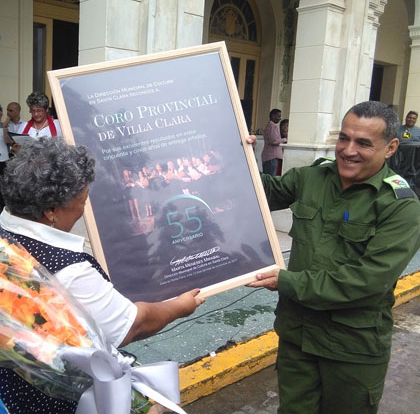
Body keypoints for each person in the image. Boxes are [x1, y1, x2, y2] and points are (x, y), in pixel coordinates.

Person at [0, 138, 204, 414]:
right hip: (58, 400)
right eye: (81, 201)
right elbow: (131, 326)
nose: (84, 209)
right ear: (50, 212)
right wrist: (180, 306)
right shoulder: (67, 268)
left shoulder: (6, 238)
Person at [247, 101, 420, 414]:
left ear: (391, 147)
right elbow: (260, 193)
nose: (348, 150)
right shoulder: (313, 179)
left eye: (363, 143)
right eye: (344, 138)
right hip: (297, 338)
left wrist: (286, 281)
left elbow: (366, 281)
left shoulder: (400, 206)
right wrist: (239, 157)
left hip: (351, 350)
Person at [261, 109, 287, 176]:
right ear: (273, 116)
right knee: (270, 178)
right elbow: (274, 141)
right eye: (278, 116)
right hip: (271, 157)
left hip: (269, 156)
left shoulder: (270, 125)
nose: (280, 118)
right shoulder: (272, 126)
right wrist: (284, 140)